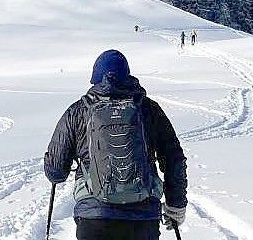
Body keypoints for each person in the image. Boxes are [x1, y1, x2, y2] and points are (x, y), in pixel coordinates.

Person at [44, 50, 188, 240]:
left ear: (94, 77)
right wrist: (176, 204)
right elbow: (173, 158)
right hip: (143, 218)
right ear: (128, 76)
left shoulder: (78, 111)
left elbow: (56, 172)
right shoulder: (148, 109)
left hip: (94, 217)